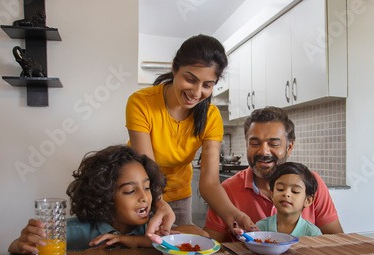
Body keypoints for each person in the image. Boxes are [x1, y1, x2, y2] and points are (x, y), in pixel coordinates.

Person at [126, 34, 255, 233]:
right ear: (174, 68)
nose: (196, 93)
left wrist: (234, 215)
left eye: (207, 85)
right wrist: (158, 203)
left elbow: (210, 183)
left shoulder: (211, 117)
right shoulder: (141, 103)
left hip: (179, 197)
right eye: (190, 79)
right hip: (139, 193)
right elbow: (146, 167)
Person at [8, 145, 207, 254]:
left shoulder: (150, 229)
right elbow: (19, 248)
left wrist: (134, 241)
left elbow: (202, 236)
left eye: (146, 188)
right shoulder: (77, 232)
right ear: (104, 196)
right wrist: (20, 244)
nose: (144, 197)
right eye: (130, 191)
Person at [204, 107, 343, 242]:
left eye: (274, 144)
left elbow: (338, 243)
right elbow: (211, 246)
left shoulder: (312, 182)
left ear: (289, 148)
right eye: (255, 143)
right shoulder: (227, 190)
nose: (264, 152)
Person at [256, 162, 322, 237]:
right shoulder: (260, 228)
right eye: (280, 189)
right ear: (272, 194)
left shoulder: (313, 233)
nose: (286, 194)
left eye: (295, 191)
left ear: (308, 200)